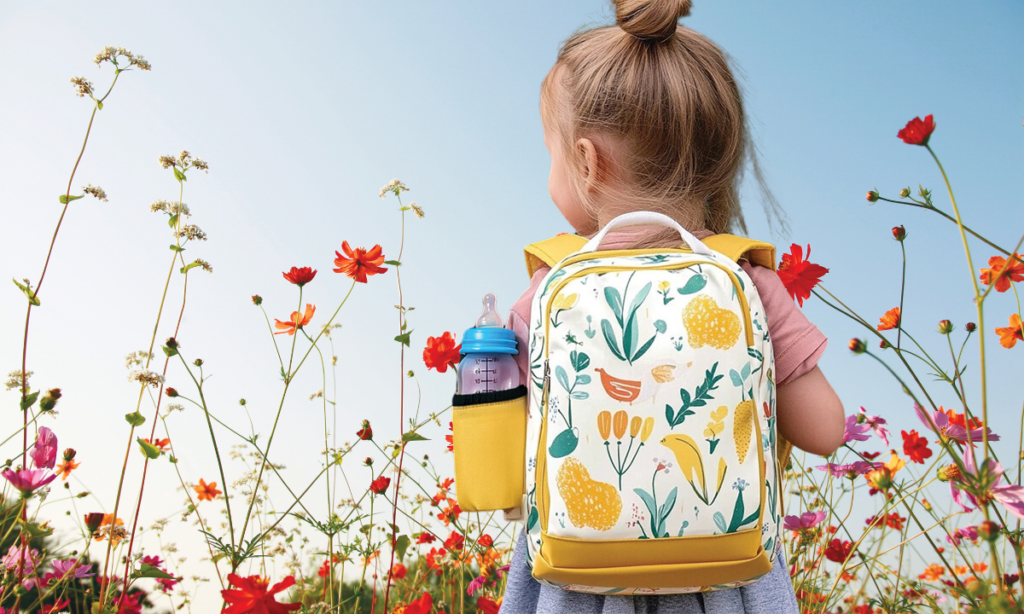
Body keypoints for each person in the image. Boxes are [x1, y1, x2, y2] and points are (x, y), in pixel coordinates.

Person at [499, 0, 846, 612]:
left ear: (586, 161)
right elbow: (825, 429)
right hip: (728, 579)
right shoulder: (747, 279)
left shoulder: (550, 288)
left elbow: (505, 481)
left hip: (577, 582)